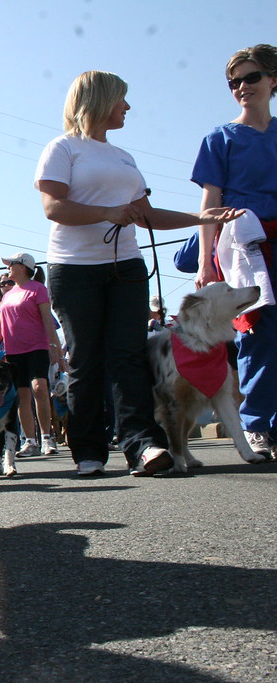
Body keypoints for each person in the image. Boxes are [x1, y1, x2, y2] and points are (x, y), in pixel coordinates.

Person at [35, 70, 244, 477]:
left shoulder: (124, 157)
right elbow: (53, 208)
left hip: (127, 267)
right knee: (85, 359)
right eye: (121, 100)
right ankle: (89, 450)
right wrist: (109, 213)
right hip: (74, 269)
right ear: (99, 99)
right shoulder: (62, 148)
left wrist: (201, 216)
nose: (127, 108)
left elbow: (146, 216)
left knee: (129, 356)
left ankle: (142, 445)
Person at [192, 44, 277, 460]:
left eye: (251, 77)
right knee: (256, 334)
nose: (242, 86)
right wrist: (208, 264)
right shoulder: (220, 139)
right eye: (234, 81)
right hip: (244, 250)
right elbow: (210, 206)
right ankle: (258, 425)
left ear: (272, 80)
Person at [0, 253, 60, 457]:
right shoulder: (7, 296)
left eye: (11, 265)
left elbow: (47, 320)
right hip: (14, 351)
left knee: (39, 388)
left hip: (37, 347)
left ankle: (47, 439)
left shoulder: (38, 289)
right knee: (22, 395)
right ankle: (30, 442)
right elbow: (0, 328)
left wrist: (54, 347)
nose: (8, 269)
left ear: (23, 267)